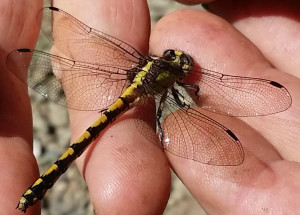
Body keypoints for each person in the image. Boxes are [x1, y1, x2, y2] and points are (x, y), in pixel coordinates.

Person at [1, 0, 299, 214]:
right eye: (178, 61)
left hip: (127, 93)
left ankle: (34, 192)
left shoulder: (145, 64)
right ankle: (37, 190)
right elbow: (187, 94)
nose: (180, 62)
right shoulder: (174, 84)